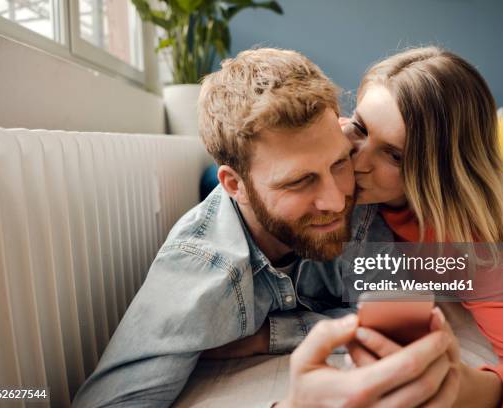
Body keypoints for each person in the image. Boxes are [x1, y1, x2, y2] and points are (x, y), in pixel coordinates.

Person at [73, 48, 427, 407]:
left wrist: (272, 334)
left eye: (338, 163)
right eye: (300, 181)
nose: (337, 201)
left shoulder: (363, 207)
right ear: (234, 184)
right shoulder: (201, 267)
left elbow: (397, 315)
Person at [278, 47, 503, 407]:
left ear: (439, 171)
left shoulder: (455, 246)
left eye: (394, 155)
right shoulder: (316, 146)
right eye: (359, 128)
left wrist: (463, 388)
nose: (356, 162)